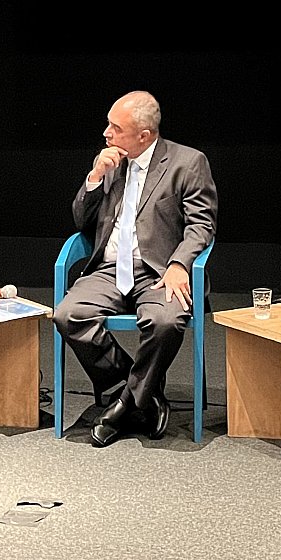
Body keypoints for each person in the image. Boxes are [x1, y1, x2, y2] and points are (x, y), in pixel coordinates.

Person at [53, 90, 218, 447]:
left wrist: (179, 263)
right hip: (109, 270)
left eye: (116, 128)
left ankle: (124, 405)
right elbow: (81, 221)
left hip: (158, 271)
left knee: (165, 321)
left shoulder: (188, 162)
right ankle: (138, 393)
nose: (106, 134)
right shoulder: (110, 162)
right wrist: (95, 176)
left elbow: (202, 225)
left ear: (144, 135)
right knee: (68, 315)